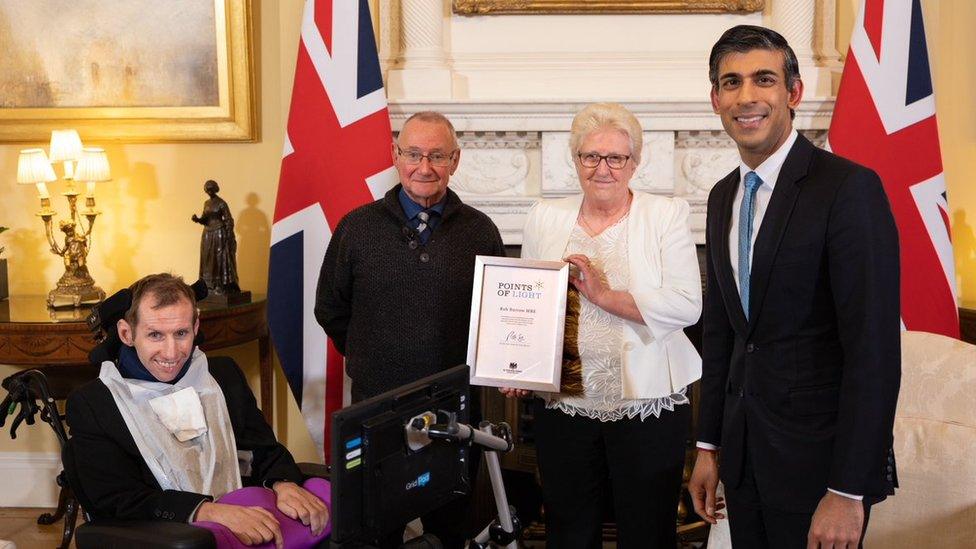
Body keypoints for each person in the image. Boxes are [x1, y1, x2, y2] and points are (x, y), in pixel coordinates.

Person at [688, 25, 901, 549]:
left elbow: (873, 352)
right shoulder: (722, 198)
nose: (746, 97)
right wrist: (709, 445)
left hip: (819, 469)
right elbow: (723, 337)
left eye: (764, 79)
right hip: (741, 462)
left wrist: (847, 490)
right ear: (715, 99)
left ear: (794, 92)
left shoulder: (849, 189)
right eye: (731, 83)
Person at [504, 103, 703, 548]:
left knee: (647, 534)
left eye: (616, 158)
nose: (603, 169)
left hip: (647, 406)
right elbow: (527, 306)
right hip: (566, 406)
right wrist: (516, 366)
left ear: (635, 162)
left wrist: (604, 296)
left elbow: (689, 305)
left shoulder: (665, 214)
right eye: (590, 156)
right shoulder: (545, 216)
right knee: (569, 532)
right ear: (575, 160)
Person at [315, 111, 505, 548]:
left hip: (453, 410)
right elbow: (330, 308)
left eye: (437, 156)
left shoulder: (480, 230)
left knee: (451, 528)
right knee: (376, 531)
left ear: (455, 160)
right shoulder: (356, 228)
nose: (425, 167)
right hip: (376, 409)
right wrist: (373, 355)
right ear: (395, 156)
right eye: (414, 154)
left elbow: (498, 316)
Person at [67, 273, 329, 548]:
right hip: (168, 536)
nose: (171, 353)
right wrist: (209, 512)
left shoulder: (223, 375)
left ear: (195, 327)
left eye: (181, 334)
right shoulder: (93, 404)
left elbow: (264, 449)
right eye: (155, 335)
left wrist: (283, 483)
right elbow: (117, 499)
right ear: (126, 333)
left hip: (245, 517)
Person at [192, 180, 240, 296]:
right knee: (207, 258)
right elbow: (205, 218)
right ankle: (208, 285)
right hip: (208, 233)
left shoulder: (221, 203)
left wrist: (229, 235)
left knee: (218, 258)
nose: (208, 191)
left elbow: (229, 219)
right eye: (206, 189)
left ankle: (220, 284)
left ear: (215, 189)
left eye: (210, 189)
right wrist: (198, 219)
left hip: (219, 232)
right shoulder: (206, 203)